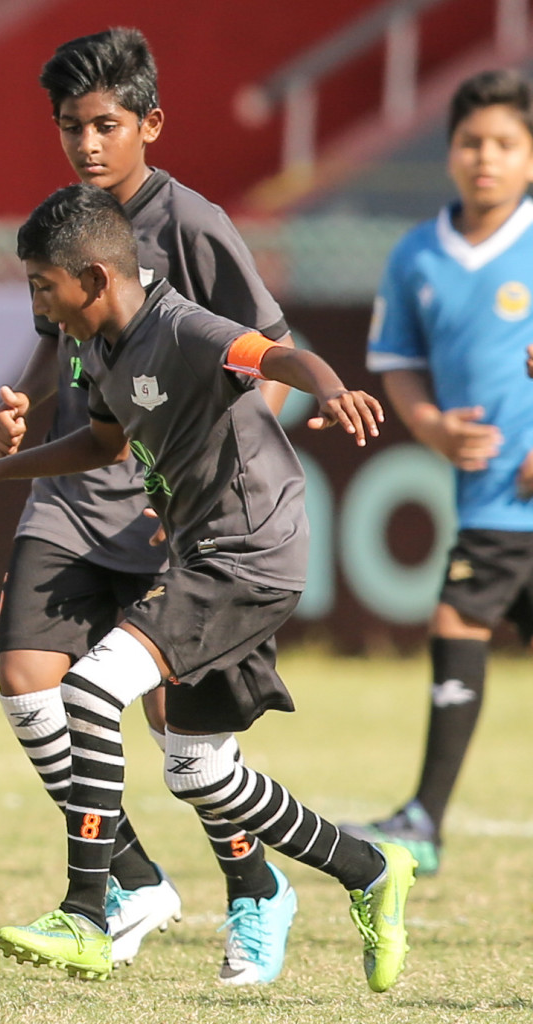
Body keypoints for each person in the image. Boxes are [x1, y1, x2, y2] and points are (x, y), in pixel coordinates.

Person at [0, 183, 416, 991]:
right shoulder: (97, 345)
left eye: (42, 286)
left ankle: (89, 913)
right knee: (197, 767)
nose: (38, 305)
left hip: (249, 551)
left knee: (86, 692)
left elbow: (272, 354)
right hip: (204, 554)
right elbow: (104, 442)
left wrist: (329, 388)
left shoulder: (181, 325)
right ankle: (369, 868)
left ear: (92, 277)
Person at [0, 27, 298, 982]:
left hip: (171, 509)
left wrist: (210, 480)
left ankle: (256, 894)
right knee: (26, 677)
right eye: (71, 128)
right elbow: (60, 333)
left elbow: (268, 349)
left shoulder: (192, 223)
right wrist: (22, 410)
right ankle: (127, 878)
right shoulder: (68, 220)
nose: (87, 145)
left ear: (149, 125)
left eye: (105, 126)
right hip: (77, 492)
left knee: (178, 729)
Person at [342, 68, 533, 877]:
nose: (484, 157)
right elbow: (399, 362)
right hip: (488, 496)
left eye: (504, 143)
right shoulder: (418, 252)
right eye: (470, 142)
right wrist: (427, 426)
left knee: (458, 619)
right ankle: (424, 817)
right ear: (450, 153)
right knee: (457, 622)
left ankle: (424, 817)